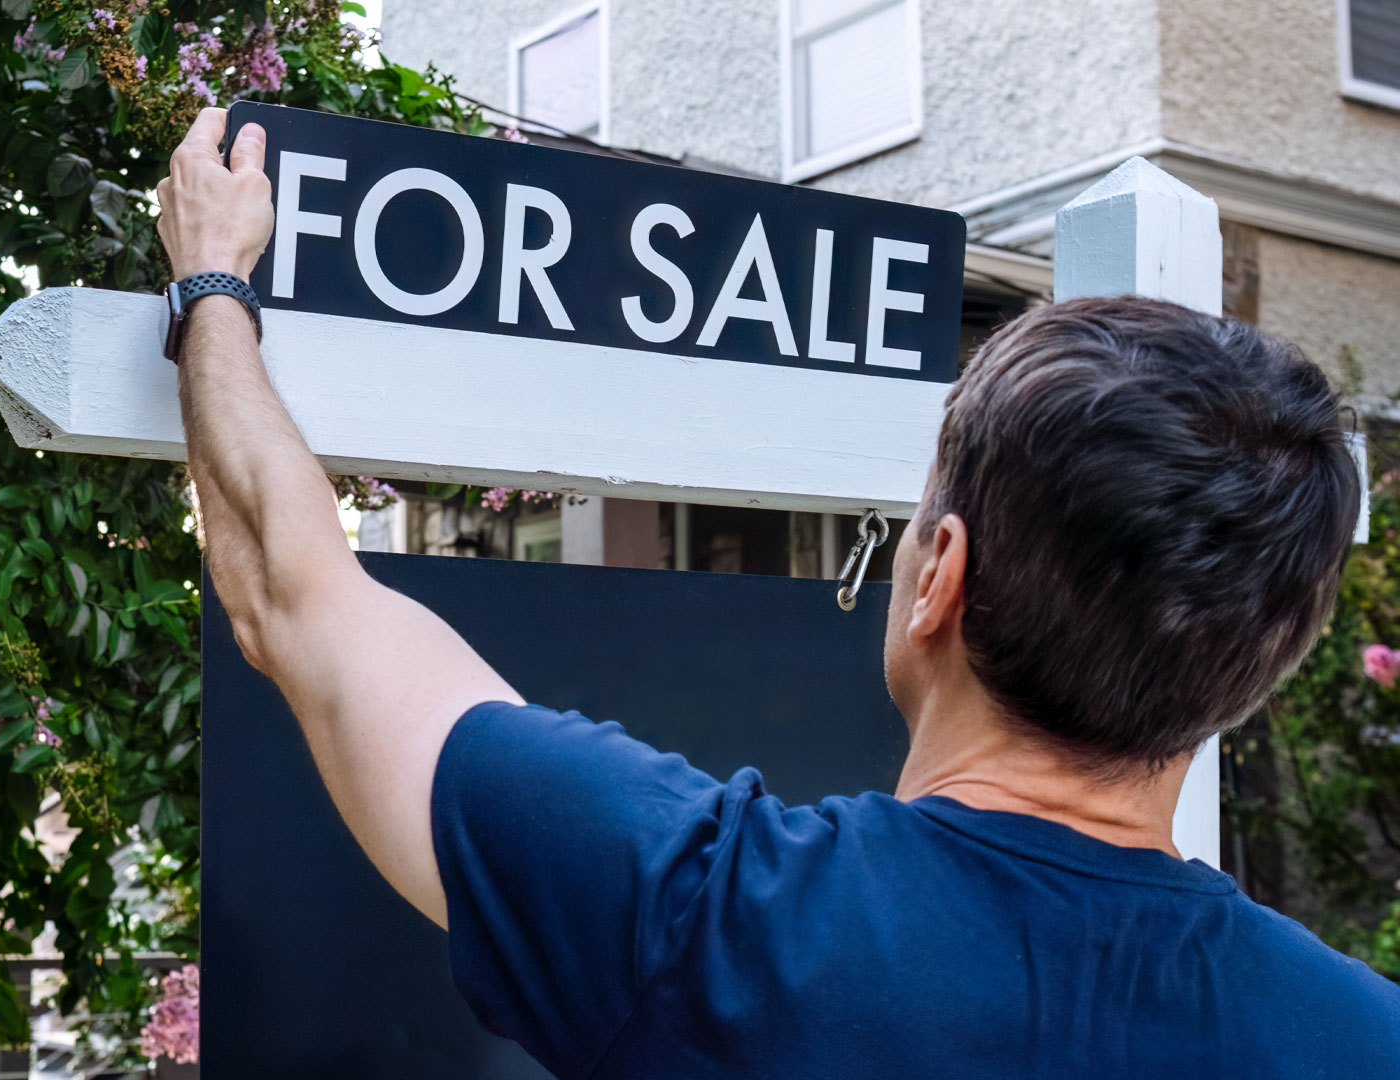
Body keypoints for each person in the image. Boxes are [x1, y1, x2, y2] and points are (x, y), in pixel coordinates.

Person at [152, 107, 1400, 1077]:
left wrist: (213, 286)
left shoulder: (704, 924)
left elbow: (290, 587)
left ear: (941, 578)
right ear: (1256, 656)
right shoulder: (1362, 1039)